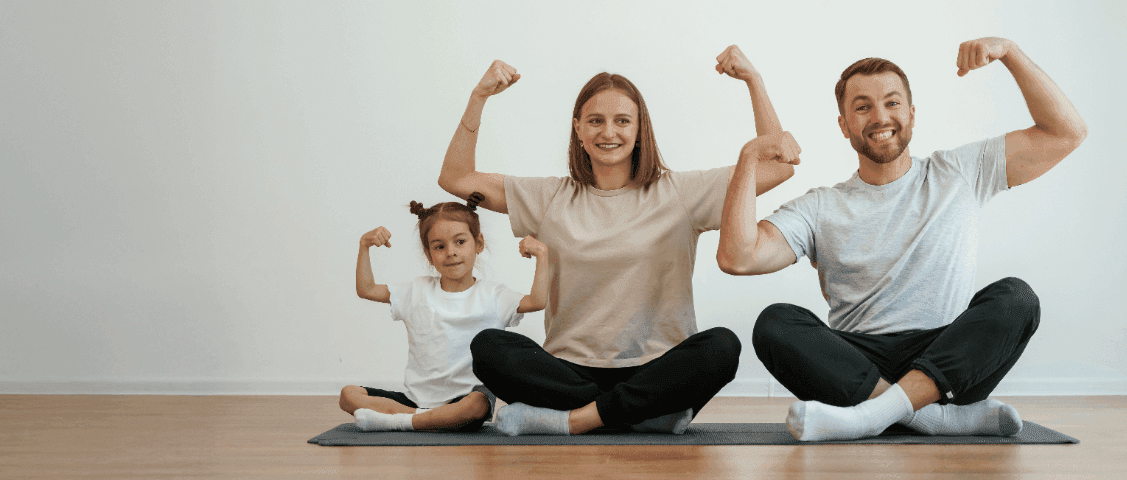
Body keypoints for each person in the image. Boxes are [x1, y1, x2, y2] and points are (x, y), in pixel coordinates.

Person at [717, 37, 1087, 441]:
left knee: (1017, 298)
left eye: (892, 103)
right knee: (775, 322)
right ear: (844, 125)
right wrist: (749, 157)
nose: (880, 117)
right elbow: (738, 257)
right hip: (857, 367)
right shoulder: (821, 206)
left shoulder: (960, 172)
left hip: (945, 363)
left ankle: (872, 416)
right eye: (863, 107)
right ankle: (933, 419)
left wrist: (1010, 52)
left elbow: (1066, 133)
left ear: (911, 114)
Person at [438, 47, 795, 436]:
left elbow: (777, 165)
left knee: (722, 347)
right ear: (578, 129)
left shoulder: (681, 193)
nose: (608, 132)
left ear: (640, 130)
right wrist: (478, 96)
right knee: (488, 347)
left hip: (656, 366)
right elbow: (456, 178)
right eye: (596, 121)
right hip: (570, 370)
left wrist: (754, 81)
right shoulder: (549, 196)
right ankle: (645, 413)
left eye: (622, 121)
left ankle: (576, 419)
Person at [339, 193, 551, 432]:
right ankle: (421, 419)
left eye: (460, 242)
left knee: (478, 404)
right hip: (415, 401)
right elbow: (367, 289)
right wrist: (364, 245)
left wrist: (542, 255)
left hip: (464, 400)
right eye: (439, 246)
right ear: (428, 254)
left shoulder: (494, 295)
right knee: (348, 394)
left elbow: (537, 301)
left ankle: (396, 420)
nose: (451, 252)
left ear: (478, 244)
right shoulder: (416, 291)